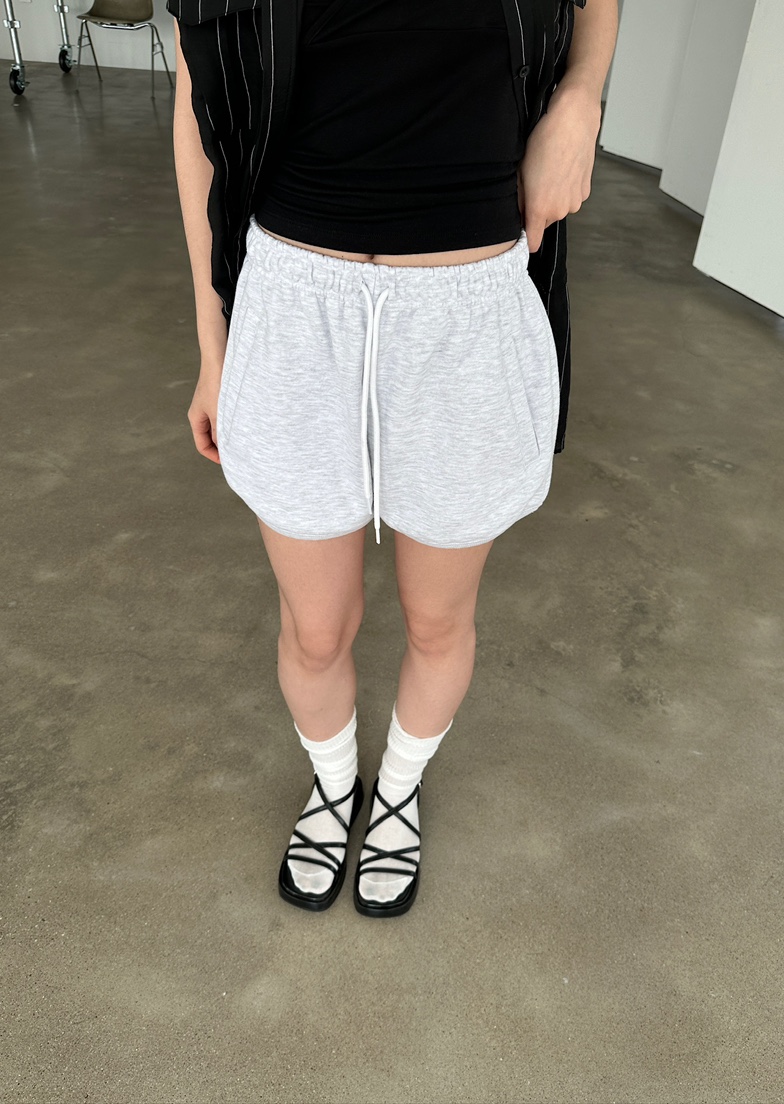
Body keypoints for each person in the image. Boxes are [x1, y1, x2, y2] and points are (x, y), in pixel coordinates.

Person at [171, 0, 618, 918]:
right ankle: (335, 787)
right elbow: (199, 103)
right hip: (294, 311)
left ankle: (400, 790)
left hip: (469, 314)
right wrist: (213, 345)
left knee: (439, 621)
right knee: (315, 629)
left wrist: (582, 95)